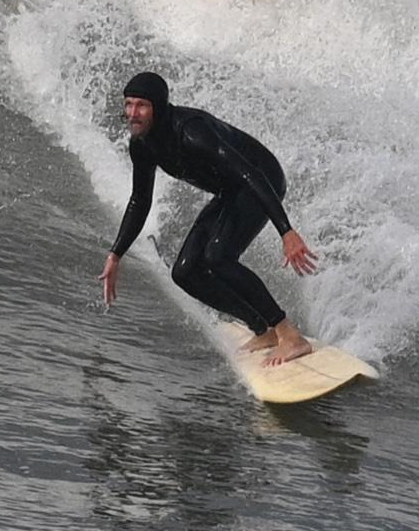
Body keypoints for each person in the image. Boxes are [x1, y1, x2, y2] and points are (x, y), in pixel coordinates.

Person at [98, 71, 321, 364]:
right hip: (230, 190)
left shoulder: (192, 132)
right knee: (185, 272)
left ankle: (289, 335)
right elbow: (140, 200)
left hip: (261, 177)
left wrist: (286, 231)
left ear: (159, 106)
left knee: (218, 257)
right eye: (128, 104)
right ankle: (262, 329)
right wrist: (116, 255)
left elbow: (248, 173)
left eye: (142, 105)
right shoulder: (142, 144)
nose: (133, 113)